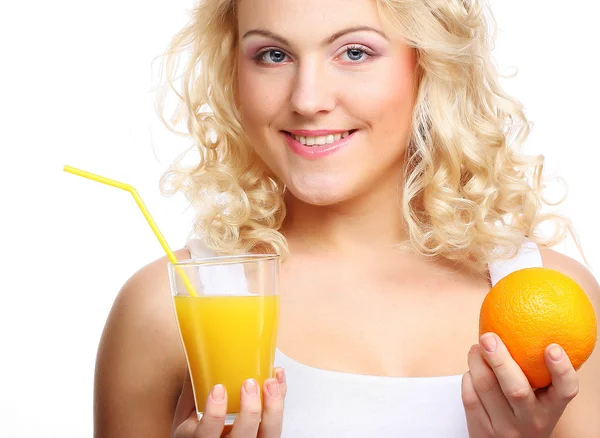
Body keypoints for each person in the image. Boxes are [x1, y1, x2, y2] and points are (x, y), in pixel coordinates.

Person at [93, 0, 600, 437]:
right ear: (233, 72)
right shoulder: (170, 308)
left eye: (354, 52)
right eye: (273, 55)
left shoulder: (554, 305)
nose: (308, 99)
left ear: (427, 63)